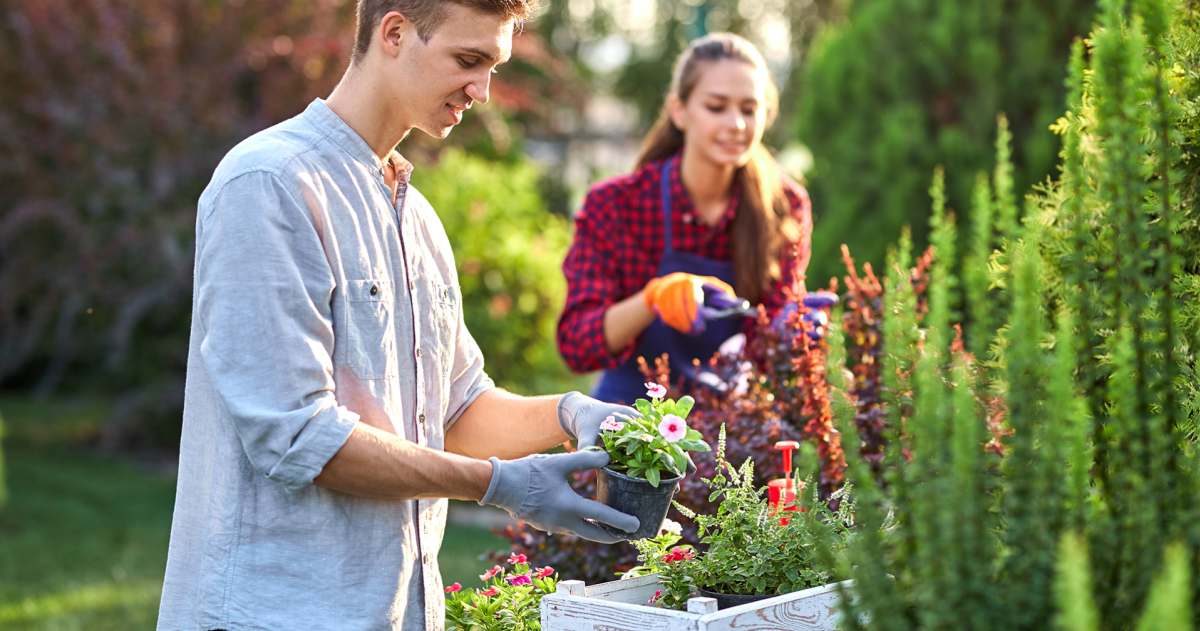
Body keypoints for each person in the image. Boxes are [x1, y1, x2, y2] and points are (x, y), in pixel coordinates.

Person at [156, 2, 641, 630]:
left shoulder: (418, 219)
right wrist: (496, 485)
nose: (483, 91)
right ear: (394, 33)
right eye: (468, 61)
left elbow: (458, 411)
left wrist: (570, 414)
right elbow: (299, 436)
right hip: (274, 612)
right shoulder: (269, 184)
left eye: (494, 67)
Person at [558, 33, 817, 404]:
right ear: (679, 110)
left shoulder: (784, 205)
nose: (737, 124)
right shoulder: (616, 205)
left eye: (749, 109)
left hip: (733, 422)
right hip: (631, 426)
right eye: (716, 107)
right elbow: (577, 345)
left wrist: (793, 330)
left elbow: (767, 351)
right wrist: (652, 299)